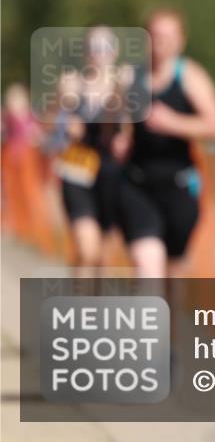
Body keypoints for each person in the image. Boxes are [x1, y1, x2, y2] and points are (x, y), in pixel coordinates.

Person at [118, 9, 215, 278]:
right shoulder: (129, 77)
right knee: (148, 267)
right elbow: (116, 122)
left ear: (181, 40)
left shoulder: (190, 77)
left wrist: (173, 123)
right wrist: (118, 138)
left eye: (168, 37)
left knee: (173, 273)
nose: (161, 43)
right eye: (155, 36)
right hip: (137, 184)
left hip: (179, 186)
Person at [46, 26, 132, 271]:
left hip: (111, 173)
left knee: (103, 257)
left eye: (105, 47)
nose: (99, 53)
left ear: (115, 51)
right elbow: (46, 120)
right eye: (94, 47)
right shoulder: (71, 84)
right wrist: (64, 122)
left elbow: (137, 126)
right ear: (86, 52)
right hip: (76, 169)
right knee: (87, 250)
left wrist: (126, 139)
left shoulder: (125, 84)